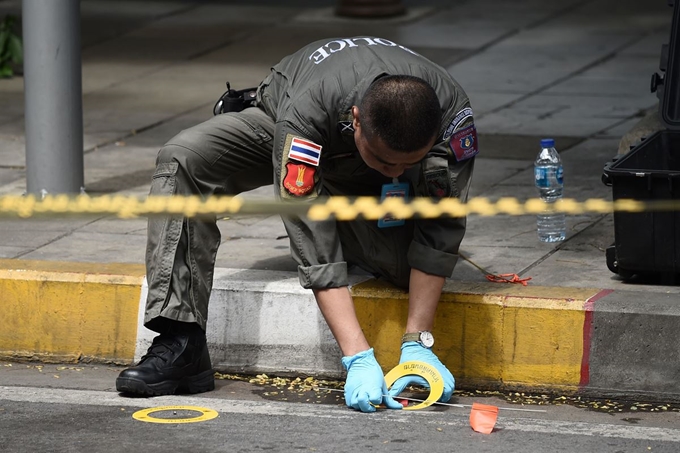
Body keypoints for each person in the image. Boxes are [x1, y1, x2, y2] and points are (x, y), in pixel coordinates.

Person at [115, 36, 478, 413]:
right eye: (388, 161)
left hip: (373, 187)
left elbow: (441, 226)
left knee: (404, 269)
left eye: (408, 162)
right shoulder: (308, 112)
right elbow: (310, 234)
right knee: (184, 158)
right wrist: (357, 356)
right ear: (356, 119)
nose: (398, 170)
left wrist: (418, 342)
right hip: (287, 126)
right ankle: (181, 342)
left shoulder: (451, 114)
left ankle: (355, 213)